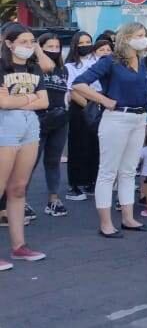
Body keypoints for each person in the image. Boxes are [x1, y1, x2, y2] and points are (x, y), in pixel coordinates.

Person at [71, 22, 147, 238]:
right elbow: (79, 84)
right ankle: (106, 223)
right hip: (117, 118)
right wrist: (105, 100)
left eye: (144, 35)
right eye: (138, 35)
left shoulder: (142, 61)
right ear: (126, 37)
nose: (143, 38)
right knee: (108, 172)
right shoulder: (110, 61)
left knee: (128, 171)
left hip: (139, 117)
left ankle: (128, 218)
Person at [0, 24, 50, 267]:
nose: (30, 46)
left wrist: (17, 101)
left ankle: (19, 246)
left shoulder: (34, 67)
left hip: (30, 126)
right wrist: (30, 98)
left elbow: (45, 102)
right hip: (5, 127)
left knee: (19, 188)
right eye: (25, 41)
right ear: (9, 43)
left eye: (32, 41)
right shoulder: (0, 66)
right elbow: (2, 103)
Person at [64, 33, 105, 201]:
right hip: (80, 108)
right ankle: (75, 184)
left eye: (88, 42)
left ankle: (92, 181)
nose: (85, 45)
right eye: (81, 43)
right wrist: (90, 108)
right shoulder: (70, 66)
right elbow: (73, 90)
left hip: (99, 104)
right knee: (78, 146)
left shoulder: (98, 62)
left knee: (96, 146)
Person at [34, 33, 70, 217]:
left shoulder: (63, 69)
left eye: (57, 47)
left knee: (53, 160)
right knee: (30, 162)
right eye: (50, 47)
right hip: (38, 117)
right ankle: (20, 201)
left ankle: (53, 199)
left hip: (59, 118)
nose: (54, 50)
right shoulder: (33, 67)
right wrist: (37, 49)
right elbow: (45, 65)